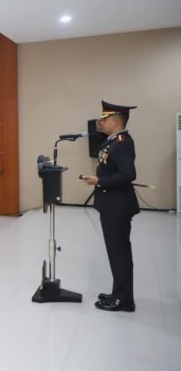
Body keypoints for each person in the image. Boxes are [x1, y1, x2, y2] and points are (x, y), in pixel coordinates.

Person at [82, 101, 140, 312]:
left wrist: (99, 181)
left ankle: (123, 300)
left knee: (119, 252)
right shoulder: (113, 141)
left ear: (116, 122)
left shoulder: (121, 143)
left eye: (104, 119)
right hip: (112, 204)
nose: (101, 122)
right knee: (116, 251)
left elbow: (128, 174)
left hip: (117, 205)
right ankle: (119, 293)